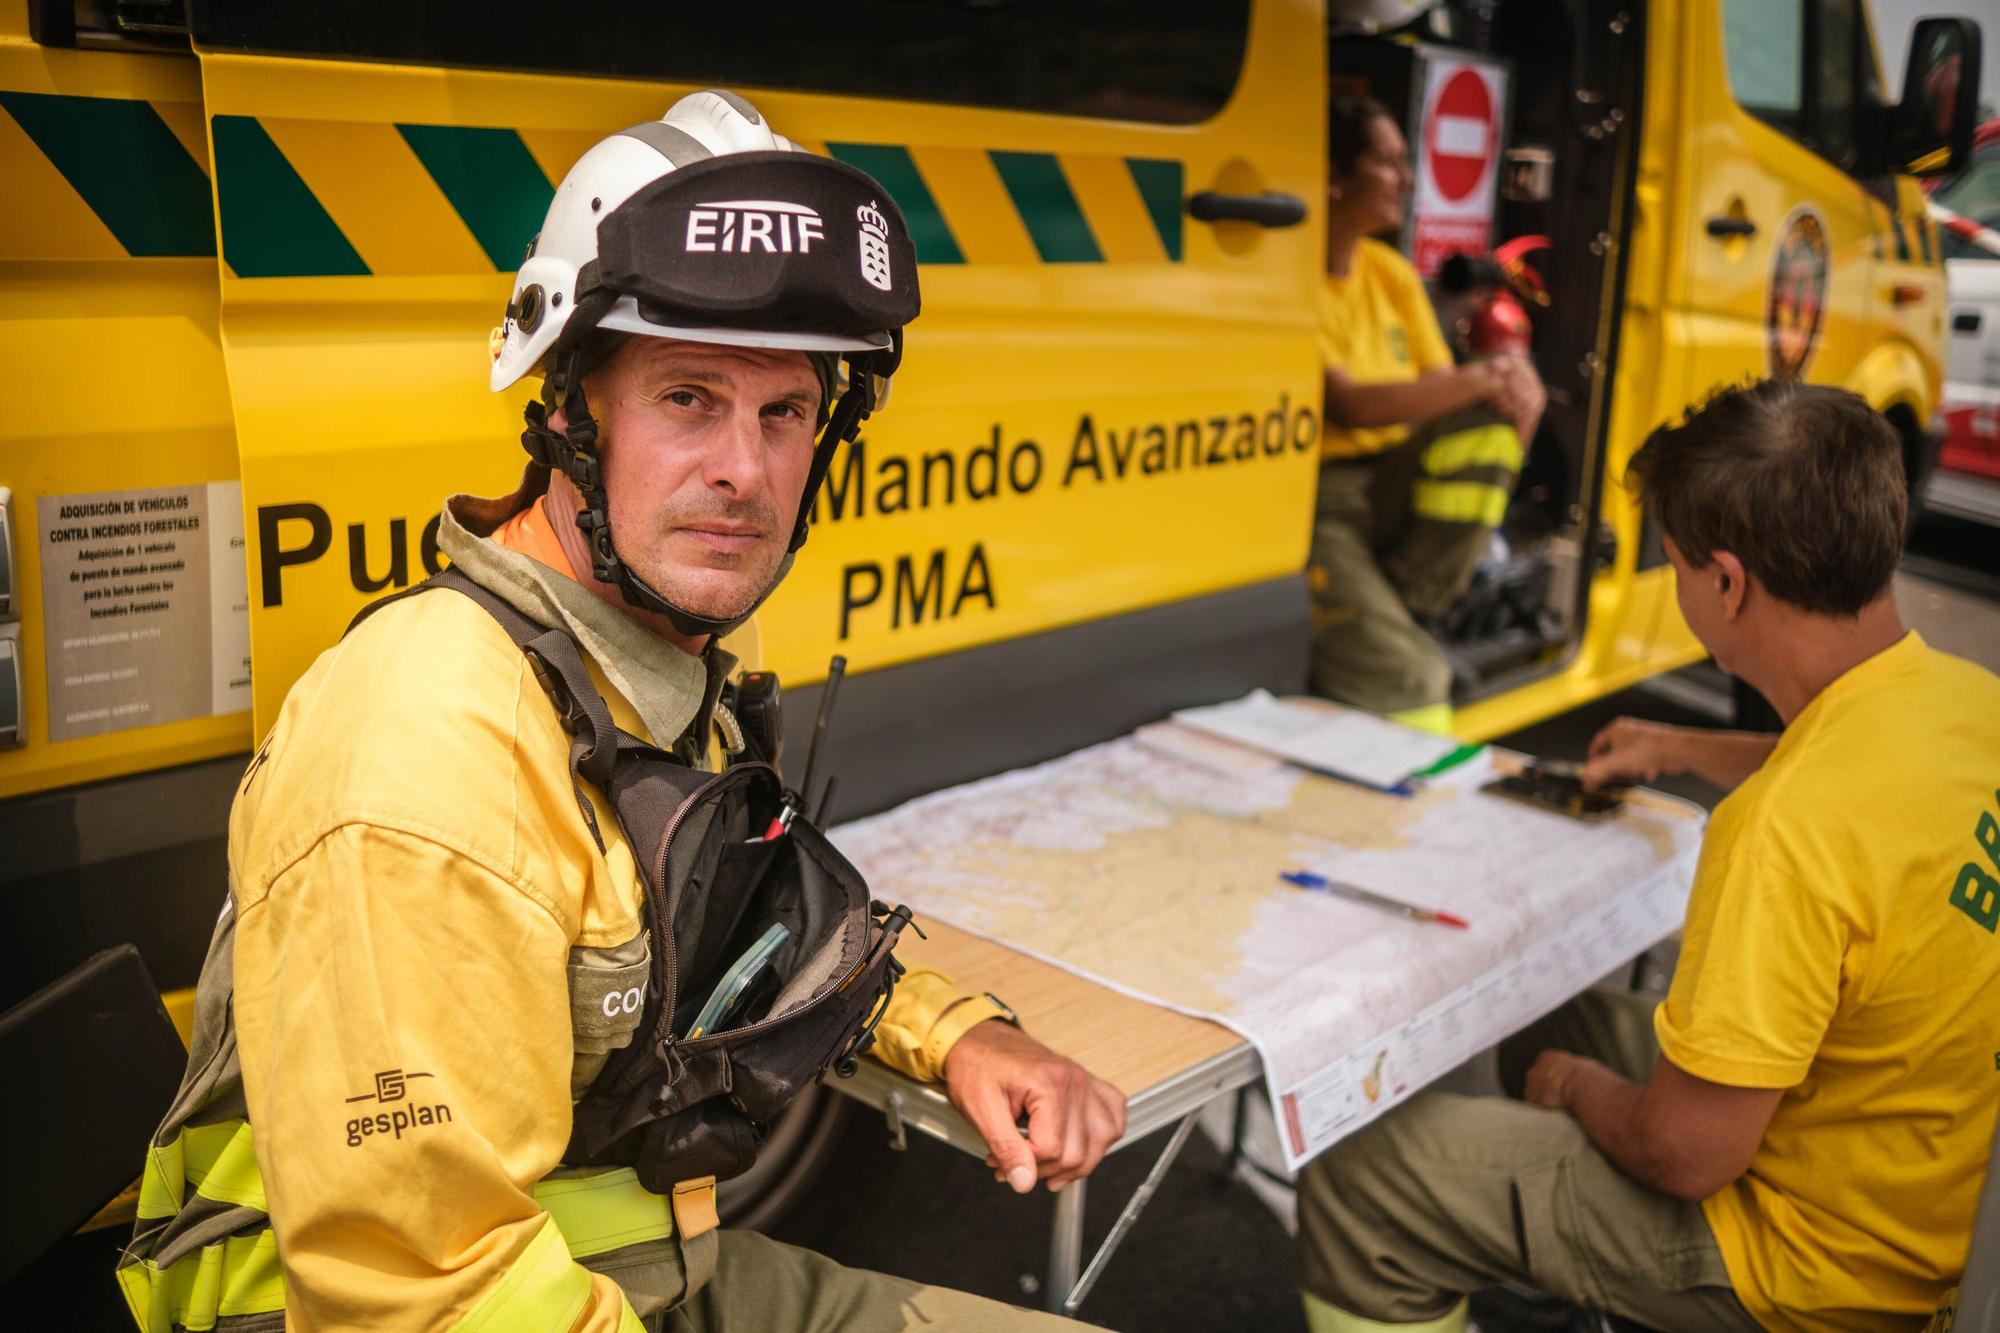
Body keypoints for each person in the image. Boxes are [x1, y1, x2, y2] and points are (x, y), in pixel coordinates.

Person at [116, 91, 1123, 1332]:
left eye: (785, 413)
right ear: (565, 414)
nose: (743, 473)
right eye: (687, 398)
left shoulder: (634, 663)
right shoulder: (428, 741)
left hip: (628, 1279)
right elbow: (414, 1292)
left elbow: (740, 935)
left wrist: (952, 1029)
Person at [1294, 379, 2000, 1331]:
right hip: (1926, 1179)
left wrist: (1581, 1091)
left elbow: (1688, 1155)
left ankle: (1491, 1240)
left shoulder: (1781, 830)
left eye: (1673, 566)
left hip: (1816, 1268)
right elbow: (1856, 770)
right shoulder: (1967, 702)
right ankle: (1545, 1253)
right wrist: (1676, 746)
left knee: (1362, 1176)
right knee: (1544, 1022)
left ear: (1727, 581)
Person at [1309, 95, 1546, 730]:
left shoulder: (1387, 271)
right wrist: (1487, 376)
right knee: (1412, 680)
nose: (1407, 179)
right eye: (1387, 162)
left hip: (1391, 481)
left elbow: (1447, 390)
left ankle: (1416, 598)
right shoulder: (1295, 275)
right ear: (1332, 176)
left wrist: (1510, 390)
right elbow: (1350, 405)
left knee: (1490, 415)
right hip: (1318, 497)